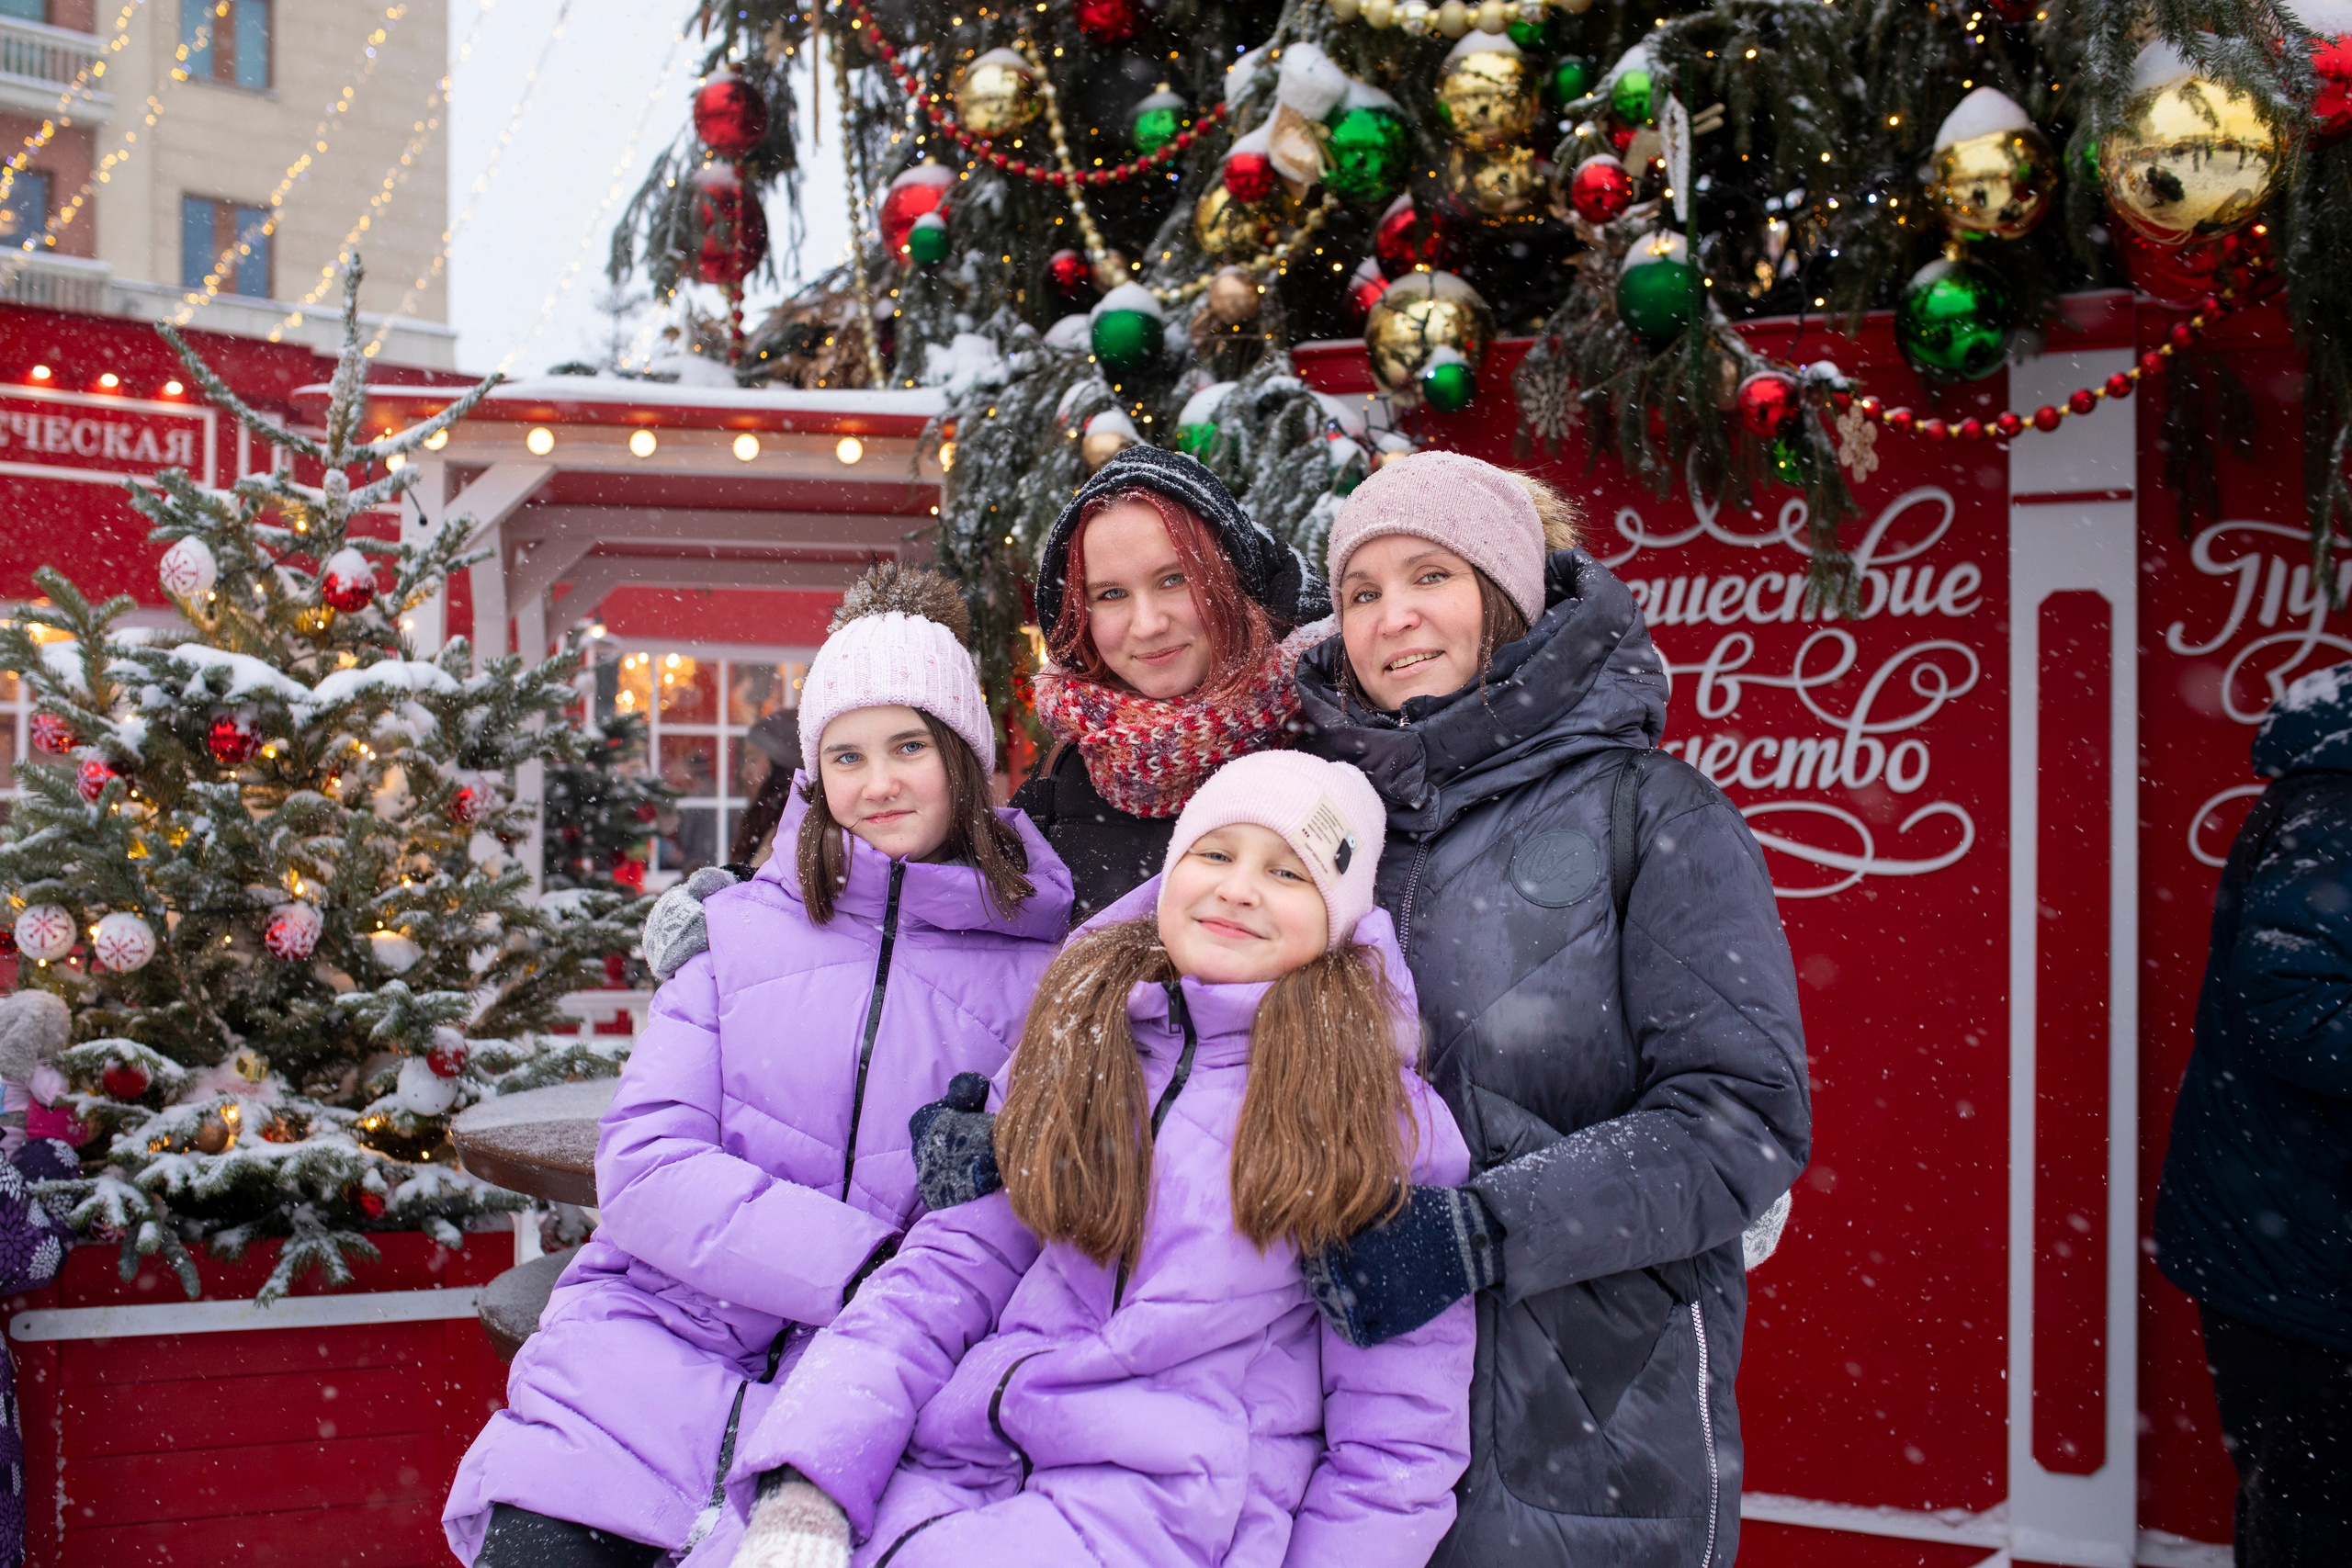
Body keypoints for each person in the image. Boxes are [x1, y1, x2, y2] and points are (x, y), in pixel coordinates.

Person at [442, 565, 1074, 1568]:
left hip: (877, 1404)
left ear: (966, 760)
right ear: (814, 775)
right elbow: (647, 1172)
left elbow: (1018, 1225)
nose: (879, 782)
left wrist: (893, 1304)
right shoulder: (733, 937)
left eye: (909, 746)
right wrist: (865, 1263)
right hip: (643, 1365)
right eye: (848, 754)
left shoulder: (1045, 976)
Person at [714, 751, 1475, 1568]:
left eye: (1289, 872)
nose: (1239, 887)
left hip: (1165, 1512)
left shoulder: (1375, 1118)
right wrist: (811, 1479)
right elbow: (941, 1276)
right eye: (1214, 854)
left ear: (1337, 922)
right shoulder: (1079, 1039)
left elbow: (1395, 1448)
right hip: (953, 1462)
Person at [1284, 451, 1810, 1568]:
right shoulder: (1320, 821)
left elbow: (1743, 1116)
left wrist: (1485, 1229)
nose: (1393, 617)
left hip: (1587, 1414)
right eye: (1360, 593)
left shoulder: (1649, 809)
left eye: (1430, 575)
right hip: (1348, 1431)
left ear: (1508, 595)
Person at [2154, 659, 2352, 1567]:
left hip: (2298, 1243)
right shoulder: (2332, 809)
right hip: (2299, 1261)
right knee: (2312, 1524)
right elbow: (2287, 1000)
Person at [1014, 444, 1329, 921]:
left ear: (1234, 578)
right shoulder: (1055, 784)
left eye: (1173, 579)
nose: (1147, 625)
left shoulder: (1339, 743)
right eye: (1112, 593)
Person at [729, 711, 802, 870]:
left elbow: (751, 884)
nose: (744, 772)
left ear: (781, 764)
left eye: (753, 759)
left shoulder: (789, 823)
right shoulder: (766, 816)